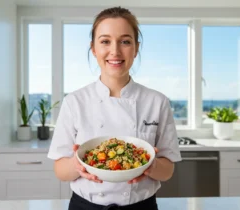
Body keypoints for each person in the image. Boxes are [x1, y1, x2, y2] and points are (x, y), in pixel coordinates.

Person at [47, 6, 182, 210]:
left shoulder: (157, 102)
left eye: (125, 41)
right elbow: (60, 170)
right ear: (94, 49)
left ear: (136, 48)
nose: (115, 51)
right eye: (105, 41)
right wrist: (77, 164)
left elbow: (168, 170)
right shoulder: (75, 101)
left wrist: (150, 165)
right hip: (85, 207)